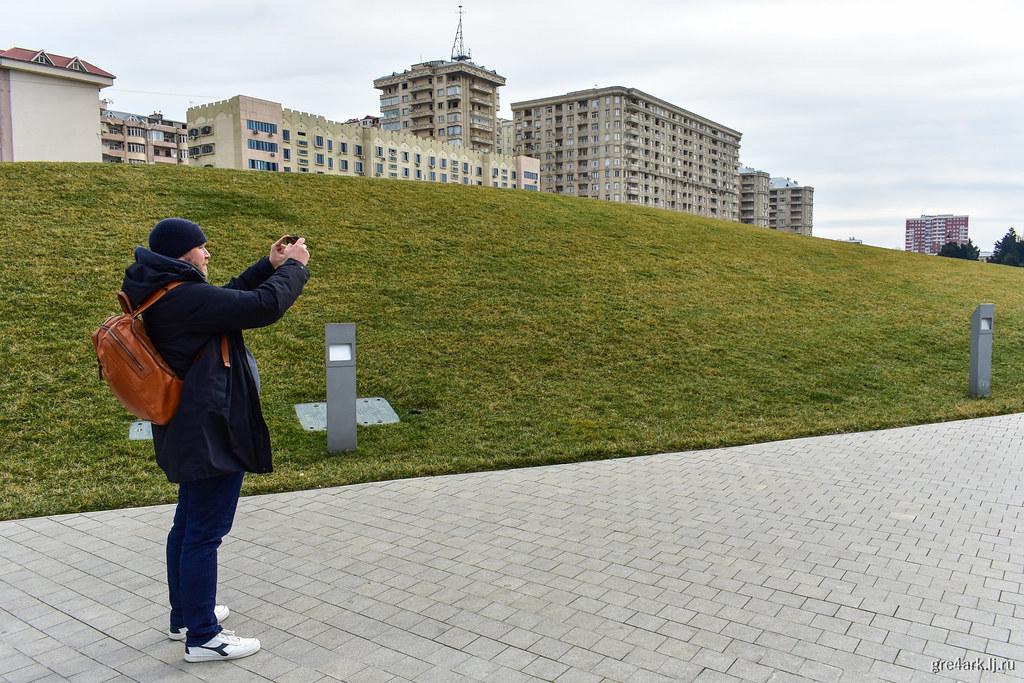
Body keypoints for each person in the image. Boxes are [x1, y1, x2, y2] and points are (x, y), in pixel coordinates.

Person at [121, 218, 310, 662]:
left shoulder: (169, 293)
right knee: (204, 534)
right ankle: (203, 636)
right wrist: (295, 269)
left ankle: (186, 615)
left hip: (191, 429)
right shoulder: (184, 298)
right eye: (202, 248)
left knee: (188, 526)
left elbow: (228, 297)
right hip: (211, 432)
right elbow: (262, 306)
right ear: (182, 254)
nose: (208, 254)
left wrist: (268, 264)